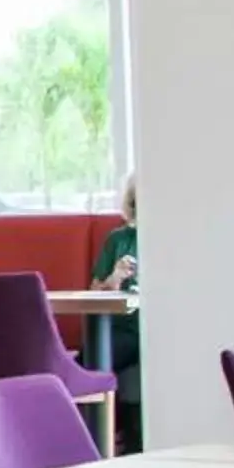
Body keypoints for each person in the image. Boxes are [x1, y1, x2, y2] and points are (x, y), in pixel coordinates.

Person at [93, 175, 140, 451]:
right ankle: (97, 442)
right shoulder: (118, 240)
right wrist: (115, 278)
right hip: (115, 326)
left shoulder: (170, 240)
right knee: (95, 356)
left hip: (145, 327)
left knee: (97, 358)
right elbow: (95, 291)